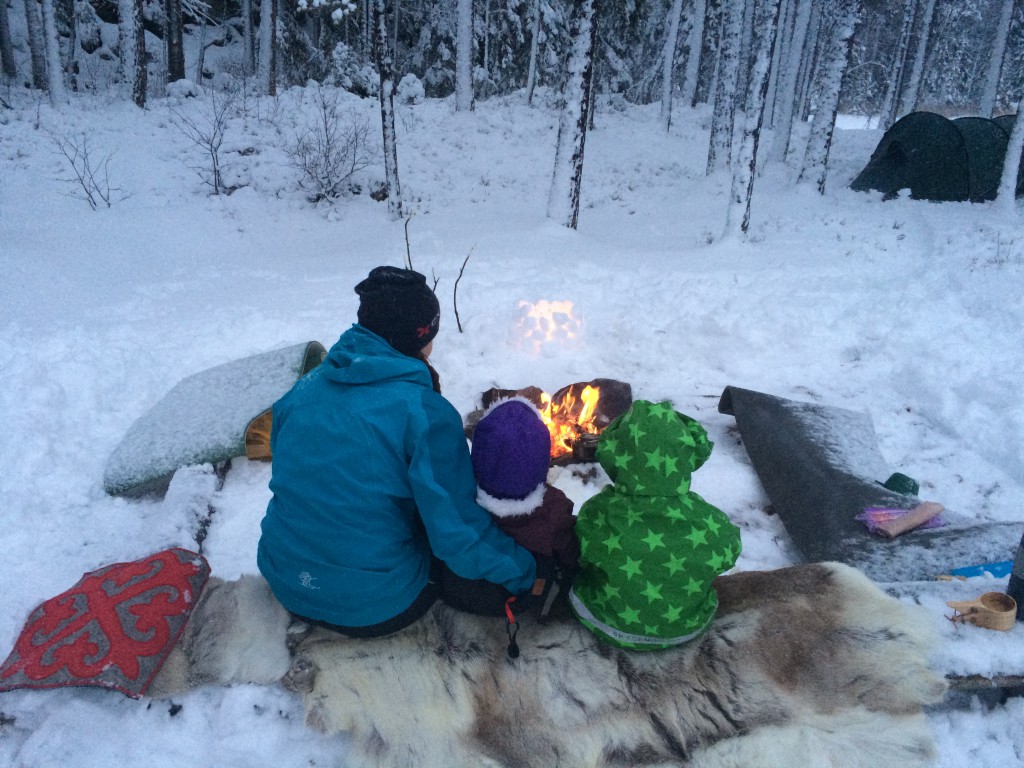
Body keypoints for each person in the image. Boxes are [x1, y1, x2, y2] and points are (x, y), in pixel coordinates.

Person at [257, 266, 537, 638]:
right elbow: (456, 534)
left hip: (286, 579)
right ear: (420, 335)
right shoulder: (423, 413)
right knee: (462, 571)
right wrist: (528, 572)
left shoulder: (303, 391)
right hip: (374, 604)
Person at [568, 400, 742, 650]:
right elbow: (730, 550)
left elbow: (580, 553)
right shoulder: (709, 523)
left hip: (606, 620)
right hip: (684, 628)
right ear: (686, 458)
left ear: (615, 455)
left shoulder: (599, 513)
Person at [439, 397, 579, 616]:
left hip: (459, 592)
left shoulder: (461, 501)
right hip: (519, 599)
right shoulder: (553, 509)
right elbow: (570, 551)